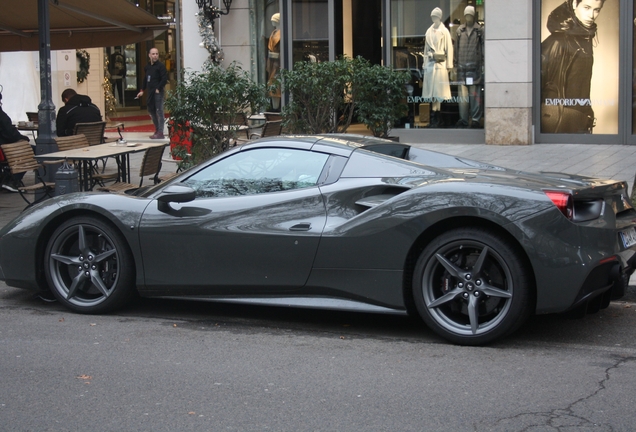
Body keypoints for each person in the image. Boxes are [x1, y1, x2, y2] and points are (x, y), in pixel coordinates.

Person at [541, 0, 606, 133]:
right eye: (586, 8)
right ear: (575, 4)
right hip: (559, 120)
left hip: (579, 118)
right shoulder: (557, 42)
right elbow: (537, 84)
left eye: (596, 10)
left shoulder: (584, 39)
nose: (591, 15)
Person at [421, 7, 453, 128]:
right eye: (432, 17)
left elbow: (449, 48)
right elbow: (425, 50)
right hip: (430, 65)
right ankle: (434, 116)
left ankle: (438, 117)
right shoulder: (428, 32)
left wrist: (449, 64)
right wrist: (425, 62)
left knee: (438, 93)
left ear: (439, 17)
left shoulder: (444, 32)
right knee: (432, 93)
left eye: (435, 17)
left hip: (440, 65)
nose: (434, 19)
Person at [454, 6, 484, 129]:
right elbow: (456, 49)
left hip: (475, 68)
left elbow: (483, 48)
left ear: (473, 16)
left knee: (475, 95)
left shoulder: (479, 31)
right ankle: (463, 119)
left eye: (470, 15)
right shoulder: (460, 31)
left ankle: (476, 119)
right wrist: (455, 64)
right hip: (462, 69)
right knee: (463, 97)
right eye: (466, 15)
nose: (468, 17)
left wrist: (483, 65)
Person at [0, 91, 29, 192]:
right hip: (3, 150)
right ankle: (13, 180)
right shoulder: (1, 115)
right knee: (31, 151)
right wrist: (23, 139)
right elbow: (10, 134)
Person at [137, 47, 168, 139]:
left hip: (158, 92)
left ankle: (160, 132)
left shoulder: (161, 66)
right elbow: (146, 79)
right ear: (149, 55)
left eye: (156, 54)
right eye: (153, 54)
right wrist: (142, 90)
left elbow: (164, 79)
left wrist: (159, 88)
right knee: (151, 111)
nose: (155, 56)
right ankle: (157, 129)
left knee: (159, 111)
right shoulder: (147, 67)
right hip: (150, 93)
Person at [266, 13, 282, 111]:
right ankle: (274, 108)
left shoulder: (281, 34)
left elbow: (279, 51)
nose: (272, 22)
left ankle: (277, 109)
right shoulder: (273, 33)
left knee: (277, 87)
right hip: (272, 64)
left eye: (274, 20)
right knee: (272, 86)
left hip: (277, 64)